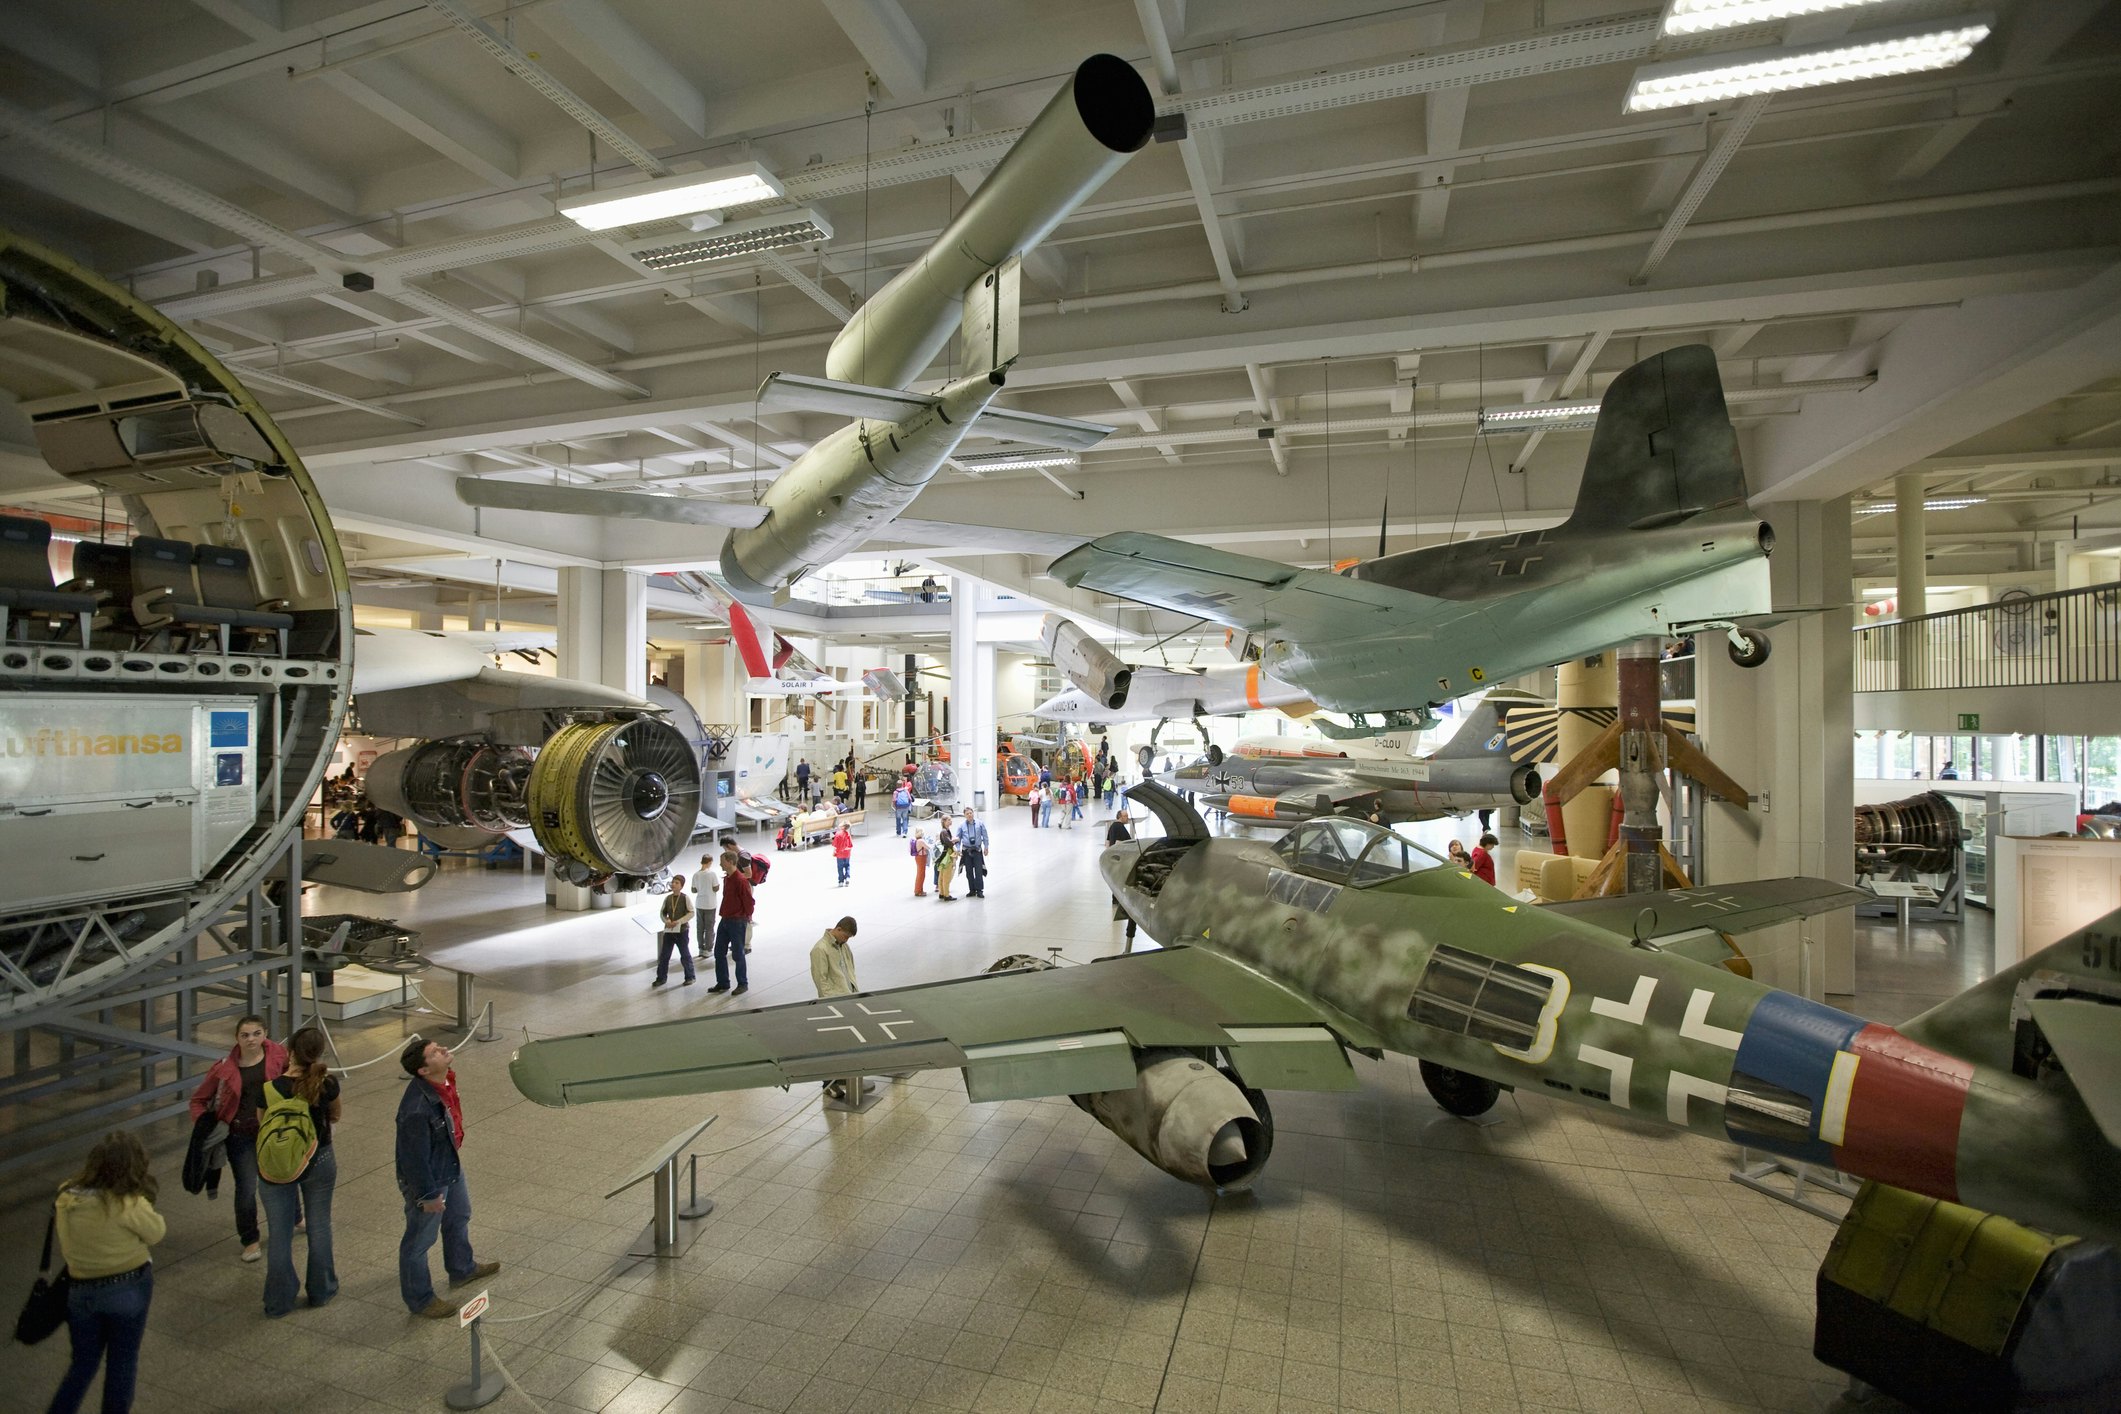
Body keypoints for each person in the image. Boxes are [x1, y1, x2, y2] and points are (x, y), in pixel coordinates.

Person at [46, 1131, 165, 1414]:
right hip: (127, 1288)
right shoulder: (127, 1203)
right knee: (122, 1362)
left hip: (80, 1291)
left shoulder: (67, 1197)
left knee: (83, 1364)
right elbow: (157, 1232)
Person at [395, 1039, 499, 1318]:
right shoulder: (417, 1109)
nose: (442, 1050)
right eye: (434, 1052)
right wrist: (428, 1195)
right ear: (423, 1071)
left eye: (439, 1047)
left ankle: (462, 1268)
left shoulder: (444, 1082)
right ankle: (420, 1299)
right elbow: (413, 1159)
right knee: (419, 1240)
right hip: (430, 1178)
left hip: (448, 1163)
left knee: (459, 1215)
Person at [187, 1014, 287, 1263]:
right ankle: (250, 1239)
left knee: (284, 1175)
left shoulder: (279, 1056)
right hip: (239, 1135)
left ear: (265, 1034)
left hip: (271, 1130)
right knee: (245, 1188)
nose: (251, 1039)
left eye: (256, 1034)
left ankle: (294, 1216)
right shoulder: (224, 1068)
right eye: (245, 1035)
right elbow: (198, 1100)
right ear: (237, 1038)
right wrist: (205, 1125)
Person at [258, 1027, 340, 1318]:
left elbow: (261, 1124)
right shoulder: (326, 1082)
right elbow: (335, 1115)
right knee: (319, 1226)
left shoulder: (269, 1088)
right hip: (319, 1159)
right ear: (318, 1052)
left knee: (279, 1233)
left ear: (290, 1051)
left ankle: (278, 1301)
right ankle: (322, 1289)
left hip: (276, 1165)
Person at [709, 851, 752, 994]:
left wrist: (747, 917)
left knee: (738, 953)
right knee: (718, 952)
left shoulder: (740, 880)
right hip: (725, 919)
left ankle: (742, 983)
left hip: (737, 921)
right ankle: (723, 982)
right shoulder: (727, 878)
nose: (720, 864)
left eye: (722, 861)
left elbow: (748, 901)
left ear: (729, 861)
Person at [655, 876, 696, 986]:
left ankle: (690, 976)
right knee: (664, 956)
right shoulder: (668, 898)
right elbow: (662, 912)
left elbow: (691, 912)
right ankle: (661, 978)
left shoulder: (685, 898)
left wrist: (680, 921)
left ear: (681, 886)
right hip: (669, 931)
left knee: (685, 955)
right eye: (673, 882)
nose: (673, 884)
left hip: (682, 931)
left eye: (676, 883)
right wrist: (666, 920)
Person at [1105, 811, 1137, 942]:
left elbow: (1108, 841)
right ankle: (1117, 899)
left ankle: (1115, 899)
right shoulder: (1118, 827)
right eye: (1125, 816)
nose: (1127, 818)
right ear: (1119, 817)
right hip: (1120, 858)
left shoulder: (1113, 826)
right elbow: (1120, 842)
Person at [692, 852, 720, 959]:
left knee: (700, 928)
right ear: (709, 862)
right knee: (709, 928)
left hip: (699, 904)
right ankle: (708, 949)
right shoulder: (711, 874)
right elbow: (716, 888)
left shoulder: (696, 874)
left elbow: (693, 890)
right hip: (710, 904)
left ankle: (701, 948)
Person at [958, 807, 990, 898]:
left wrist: (986, 847)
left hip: (977, 850)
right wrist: (957, 849)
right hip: (966, 851)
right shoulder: (961, 826)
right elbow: (958, 838)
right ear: (964, 815)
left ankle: (979, 890)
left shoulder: (980, 824)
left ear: (973, 813)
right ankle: (972, 890)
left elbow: (985, 836)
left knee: (978, 871)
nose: (969, 815)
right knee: (969, 871)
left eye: (970, 813)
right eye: (967, 813)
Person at [934, 820, 957, 901]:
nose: (950, 821)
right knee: (946, 876)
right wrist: (954, 844)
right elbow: (948, 842)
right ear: (944, 822)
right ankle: (946, 895)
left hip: (943, 856)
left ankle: (941, 893)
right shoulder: (944, 831)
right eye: (948, 820)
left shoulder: (945, 831)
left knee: (942, 875)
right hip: (947, 855)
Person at [832, 820, 854, 886]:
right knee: (847, 865)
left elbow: (835, 845)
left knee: (840, 867)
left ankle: (841, 881)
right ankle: (847, 877)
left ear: (843, 826)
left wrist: (834, 852)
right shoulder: (848, 834)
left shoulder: (838, 834)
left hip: (839, 853)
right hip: (847, 853)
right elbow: (850, 845)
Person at [910, 827, 930, 896]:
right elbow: (929, 847)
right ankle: (918, 891)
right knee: (921, 874)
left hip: (918, 857)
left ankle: (919, 890)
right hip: (922, 857)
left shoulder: (916, 840)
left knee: (920, 873)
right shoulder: (921, 841)